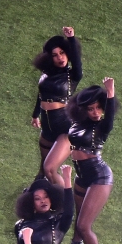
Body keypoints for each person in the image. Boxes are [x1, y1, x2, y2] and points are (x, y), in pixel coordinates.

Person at [47, 80, 118, 244]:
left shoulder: (101, 127)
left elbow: (110, 118)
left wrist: (110, 93)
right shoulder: (77, 124)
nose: (96, 112)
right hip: (81, 175)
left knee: (84, 225)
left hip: (99, 177)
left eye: (98, 108)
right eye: (91, 109)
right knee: (80, 218)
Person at [31, 28, 82, 180]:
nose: (60, 58)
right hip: (47, 124)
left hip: (63, 124)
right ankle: (38, 192)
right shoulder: (46, 74)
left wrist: (71, 39)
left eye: (62, 53)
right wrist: (35, 115)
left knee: (50, 169)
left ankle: (67, 202)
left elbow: (77, 61)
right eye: (55, 55)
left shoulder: (73, 75)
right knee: (43, 170)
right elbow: (41, 95)